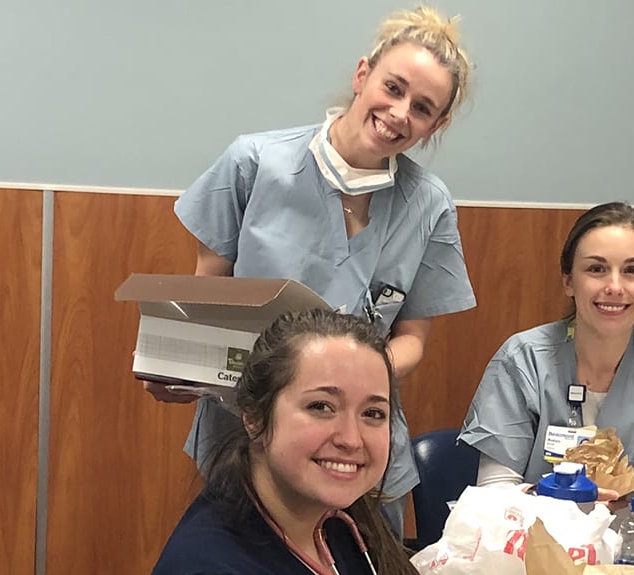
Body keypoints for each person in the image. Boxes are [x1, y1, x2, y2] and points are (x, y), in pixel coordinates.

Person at [149, 5, 477, 531]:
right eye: (392, 88)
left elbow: (413, 337)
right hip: (251, 432)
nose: (399, 113)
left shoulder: (428, 205)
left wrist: (347, 386)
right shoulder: (255, 164)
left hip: (360, 448)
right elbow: (207, 295)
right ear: (362, 74)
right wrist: (178, 368)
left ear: (436, 124)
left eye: (421, 108)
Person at [459, 202, 634, 497]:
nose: (614, 286)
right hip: (542, 537)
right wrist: (557, 497)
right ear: (569, 281)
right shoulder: (524, 359)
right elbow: (493, 493)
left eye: (632, 270)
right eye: (596, 269)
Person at [150, 309, 415, 575]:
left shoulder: (343, 518)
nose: (350, 439)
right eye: (321, 407)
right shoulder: (213, 571)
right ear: (254, 417)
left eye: (373, 413)